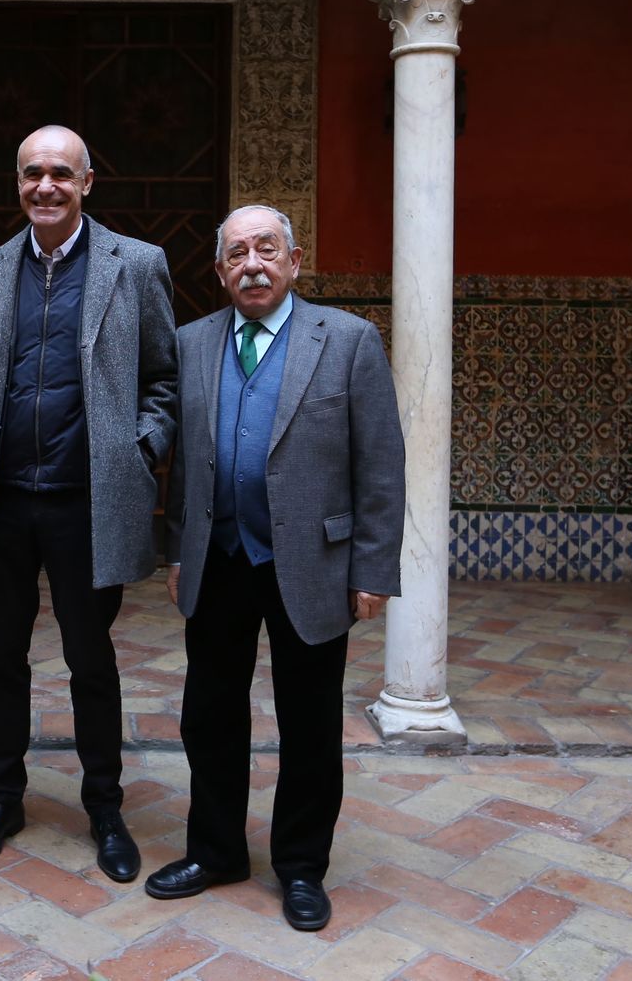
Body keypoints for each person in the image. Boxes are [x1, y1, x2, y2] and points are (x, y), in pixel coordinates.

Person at [145, 204, 405, 931]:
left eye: (266, 249)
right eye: (236, 253)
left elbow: (380, 463)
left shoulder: (348, 339)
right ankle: (217, 849)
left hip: (314, 562)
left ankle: (300, 866)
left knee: (311, 723)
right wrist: (177, 552)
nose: (251, 263)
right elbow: (185, 465)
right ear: (220, 269)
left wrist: (373, 568)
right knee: (210, 715)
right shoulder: (192, 341)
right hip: (220, 557)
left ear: (295, 261)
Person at [0, 125, 178, 882]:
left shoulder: (137, 264)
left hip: (87, 501)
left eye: (59, 173)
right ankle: (3, 796)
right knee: (0, 658)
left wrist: (139, 446)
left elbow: (165, 376)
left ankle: (105, 807)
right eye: (30, 174)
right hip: (6, 498)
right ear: (17, 184)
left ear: (88, 181)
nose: (43, 186)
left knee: (91, 659)